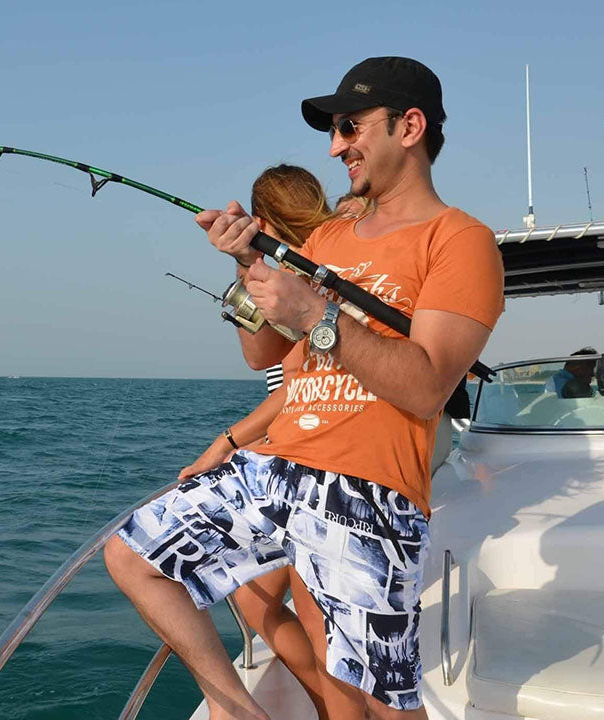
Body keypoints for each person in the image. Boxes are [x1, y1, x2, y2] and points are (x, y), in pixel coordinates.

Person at [105, 57, 505, 720]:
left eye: (350, 127)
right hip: (278, 466)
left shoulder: (460, 242)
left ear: (410, 126)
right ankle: (237, 707)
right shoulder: (327, 237)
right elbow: (266, 350)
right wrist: (249, 267)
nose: (335, 146)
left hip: (368, 491)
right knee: (133, 557)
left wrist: (318, 315)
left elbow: (428, 386)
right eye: (333, 130)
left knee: (369, 703)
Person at [179, 163, 336, 720]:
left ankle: (331, 706)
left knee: (306, 606)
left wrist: (225, 442)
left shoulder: (305, 277)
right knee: (256, 592)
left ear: (263, 217)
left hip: (306, 452)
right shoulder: (331, 263)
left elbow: (271, 367)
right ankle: (326, 701)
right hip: (299, 448)